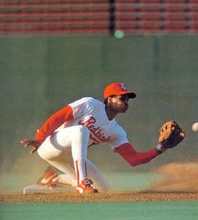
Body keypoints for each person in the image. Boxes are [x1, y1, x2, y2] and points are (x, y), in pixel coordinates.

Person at [21, 82, 181, 194]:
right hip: (52, 145)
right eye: (122, 97)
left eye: (127, 99)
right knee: (80, 130)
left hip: (69, 157)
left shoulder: (117, 131)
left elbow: (133, 159)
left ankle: (52, 178)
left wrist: (160, 149)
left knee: (104, 189)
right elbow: (59, 116)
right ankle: (82, 183)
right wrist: (40, 138)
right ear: (109, 98)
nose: (126, 101)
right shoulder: (90, 104)